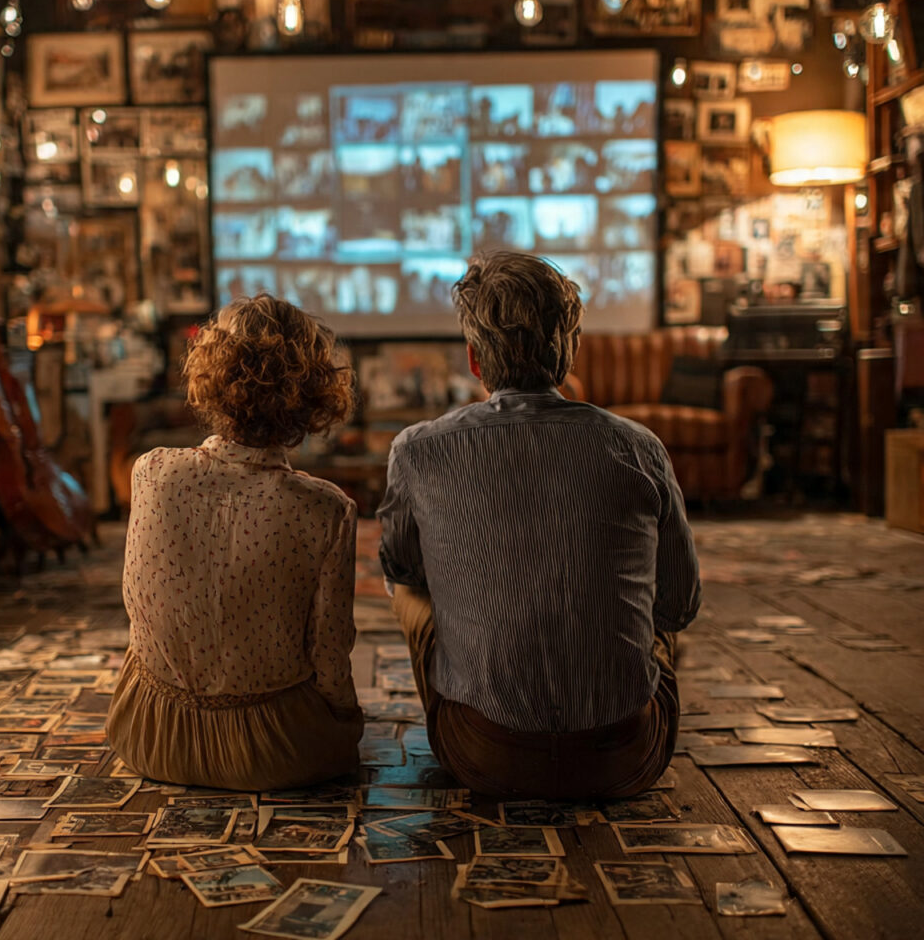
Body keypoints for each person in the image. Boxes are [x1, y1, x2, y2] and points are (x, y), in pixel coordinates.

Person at [377, 252, 700, 799]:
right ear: (569, 349)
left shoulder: (417, 449)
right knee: (659, 626)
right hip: (624, 759)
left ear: (475, 361)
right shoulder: (638, 448)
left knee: (405, 590)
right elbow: (679, 605)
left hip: (484, 756)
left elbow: (402, 566)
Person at [107, 295, 363, 790]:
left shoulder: (151, 472)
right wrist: (345, 724)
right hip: (277, 754)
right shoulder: (326, 511)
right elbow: (331, 665)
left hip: (147, 735)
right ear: (311, 392)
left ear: (209, 378)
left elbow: (140, 614)